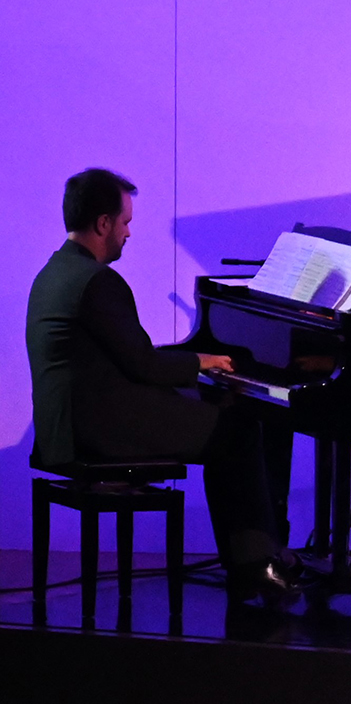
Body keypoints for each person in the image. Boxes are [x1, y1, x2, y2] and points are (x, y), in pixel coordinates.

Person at [25, 168, 294, 599]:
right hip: (101, 427)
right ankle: (256, 564)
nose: (129, 233)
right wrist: (202, 362)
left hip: (69, 422)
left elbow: (125, 359)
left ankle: (253, 559)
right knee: (238, 429)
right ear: (103, 223)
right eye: (126, 222)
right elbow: (145, 364)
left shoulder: (53, 272)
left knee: (222, 418)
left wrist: (191, 370)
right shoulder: (98, 282)